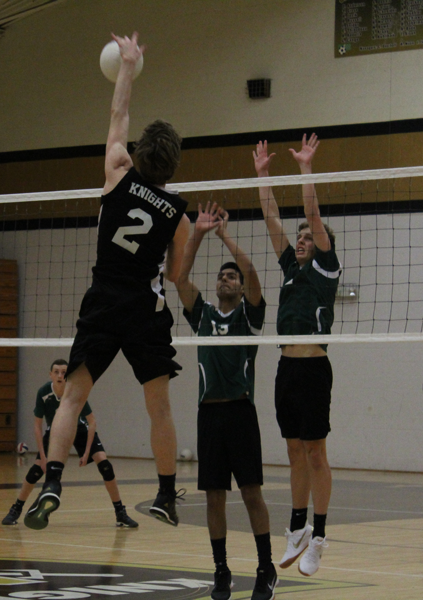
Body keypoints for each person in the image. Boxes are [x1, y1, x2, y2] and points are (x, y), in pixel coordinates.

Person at [24, 32, 190, 531]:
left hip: (102, 298)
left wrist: (127, 67)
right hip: (145, 306)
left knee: (71, 397)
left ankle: (52, 481)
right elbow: (178, 276)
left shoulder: (117, 173)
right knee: (157, 405)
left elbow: (117, 118)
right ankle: (165, 495)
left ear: (138, 154)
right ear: (173, 165)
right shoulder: (179, 215)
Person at [176, 202, 276, 600]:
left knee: (252, 493)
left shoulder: (249, 318)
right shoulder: (201, 314)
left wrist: (224, 236)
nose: (226, 279)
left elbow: (251, 272)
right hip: (209, 414)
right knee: (213, 497)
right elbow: (180, 277)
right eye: (222, 276)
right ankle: (221, 572)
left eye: (230, 276)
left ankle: (266, 568)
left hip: (240, 411)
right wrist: (197, 234)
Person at [255, 134, 339, 577]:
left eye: (309, 237)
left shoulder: (325, 270)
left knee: (316, 453)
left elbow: (311, 214)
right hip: (286, 366)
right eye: (301, 239)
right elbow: (272, 219)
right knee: (292, 451)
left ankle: (319, 537)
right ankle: (297, 527)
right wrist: (263, 176)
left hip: (314, 368)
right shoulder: (290, 269)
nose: (302, 239)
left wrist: (306, 169)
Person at [2, 359, 138, 528]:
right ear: (50, 374)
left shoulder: (74, 391)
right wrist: (43, 456)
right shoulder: (44, 393)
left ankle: (120, 513)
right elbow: (37, 426)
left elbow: (92, 421)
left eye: (64, 372)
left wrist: (87, 452)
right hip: (56, 432)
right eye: (56, 372)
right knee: (36, 471)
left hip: (81, 429)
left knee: (105, 466)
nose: (60, 375)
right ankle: (15, 510)